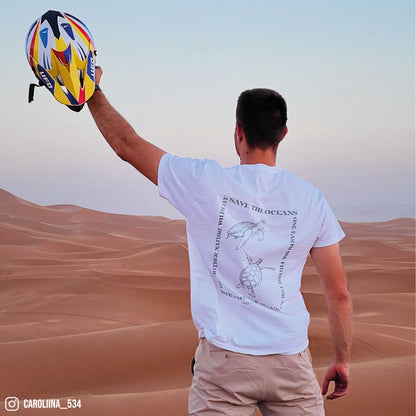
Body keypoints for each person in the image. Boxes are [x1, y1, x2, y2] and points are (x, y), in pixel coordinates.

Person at [87, 66, 353, 416]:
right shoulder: (311, 199)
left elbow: (127, 145)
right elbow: (339, 293)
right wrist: (342, 360)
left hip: (224, 362)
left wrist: (91, 92)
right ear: (283, 134)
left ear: (238, 132)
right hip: (290, 362)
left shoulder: (203, 183)